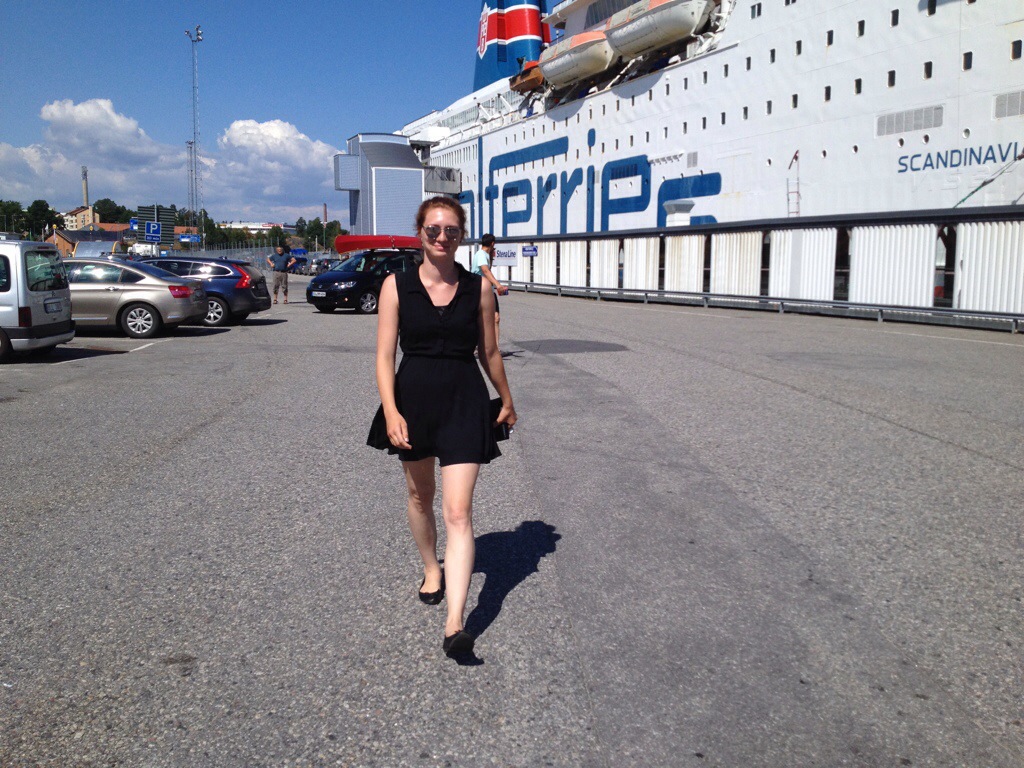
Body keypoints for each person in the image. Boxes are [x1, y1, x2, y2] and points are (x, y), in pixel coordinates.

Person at [369, 197, 517, 658]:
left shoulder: (479, 288)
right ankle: (432, 568)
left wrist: (507, 398)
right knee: (420, 496)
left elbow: (489, 352)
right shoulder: (396, 285)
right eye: (433, 229)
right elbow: (383, 356)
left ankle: (455, 625)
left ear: (461, 236)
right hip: (412, 403)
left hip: (463, 403)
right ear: (420, 232)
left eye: (451, 230)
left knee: (458, 512)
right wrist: (390, 411)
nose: (441, 237)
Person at [472, 234, 508, 349]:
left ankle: (496, 349)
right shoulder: (480, 254)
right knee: (479, 319)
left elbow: (488, 270)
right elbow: (485, 271)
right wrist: (498, 285)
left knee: (496, 318)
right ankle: (475, 346)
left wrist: (491, 257)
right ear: (492, 243)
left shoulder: (486, 255)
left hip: (488, 291)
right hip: (479, 291)